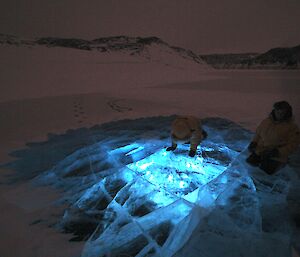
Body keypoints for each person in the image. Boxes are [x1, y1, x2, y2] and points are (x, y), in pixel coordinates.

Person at [246, 101, 300, 174]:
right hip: (261, 150)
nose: (279, 115)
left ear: (287, 113)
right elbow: (258, 133)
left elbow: (293, 144)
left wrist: (278, 152)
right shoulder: (266, 121)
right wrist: (254, 142)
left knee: (264, 174)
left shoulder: (292, 127)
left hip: (276, 155)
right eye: (277, 112)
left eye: (282, 113)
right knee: (249, 165)